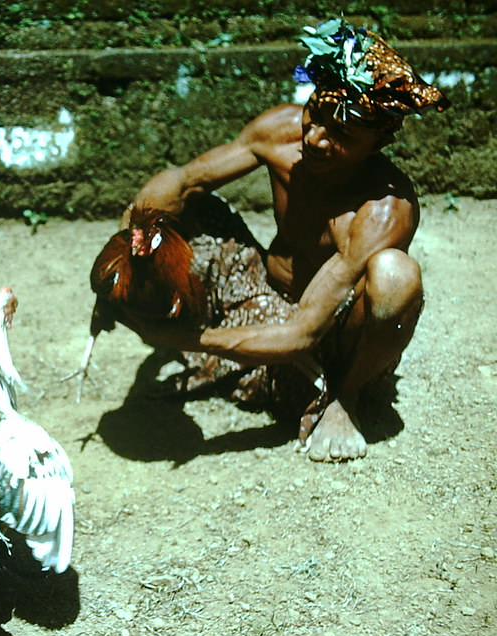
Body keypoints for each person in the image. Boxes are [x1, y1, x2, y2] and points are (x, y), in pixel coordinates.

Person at [116, 18, 448, 462]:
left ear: (379, 142)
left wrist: (188, 338)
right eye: (315, 114)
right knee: (169, 203)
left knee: (396, 275)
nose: (314, 139)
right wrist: (127, 255)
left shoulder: (383, 209)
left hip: (325, 335)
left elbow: (303, 332)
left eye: (342, 134)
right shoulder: (281, 130)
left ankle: (344, 397)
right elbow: (181, 182)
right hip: (262, 292)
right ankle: (212, 337)